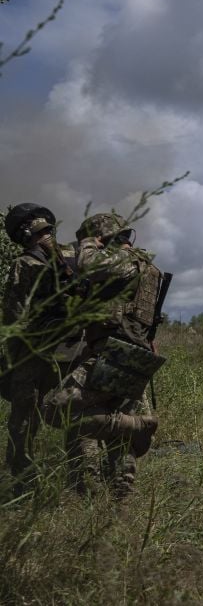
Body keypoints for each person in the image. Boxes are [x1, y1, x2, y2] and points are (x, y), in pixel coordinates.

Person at [41, 212, 164, 497]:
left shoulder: (122, 260)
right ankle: (121, 488)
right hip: (136, 353)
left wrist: (88, 243)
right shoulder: (147, 266)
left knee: (55, 408)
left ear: (104, 238)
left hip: (114, 353)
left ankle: (141, 426)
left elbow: (87, 264)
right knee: (118, 417)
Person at [3, 204, 78, 490]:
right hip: (71, 348)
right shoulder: (72, 258)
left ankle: (23, 482)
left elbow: (13, 315)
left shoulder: (26, 263)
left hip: (33, 352)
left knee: (23, 418)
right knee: (75, 412)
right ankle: (79, 476)